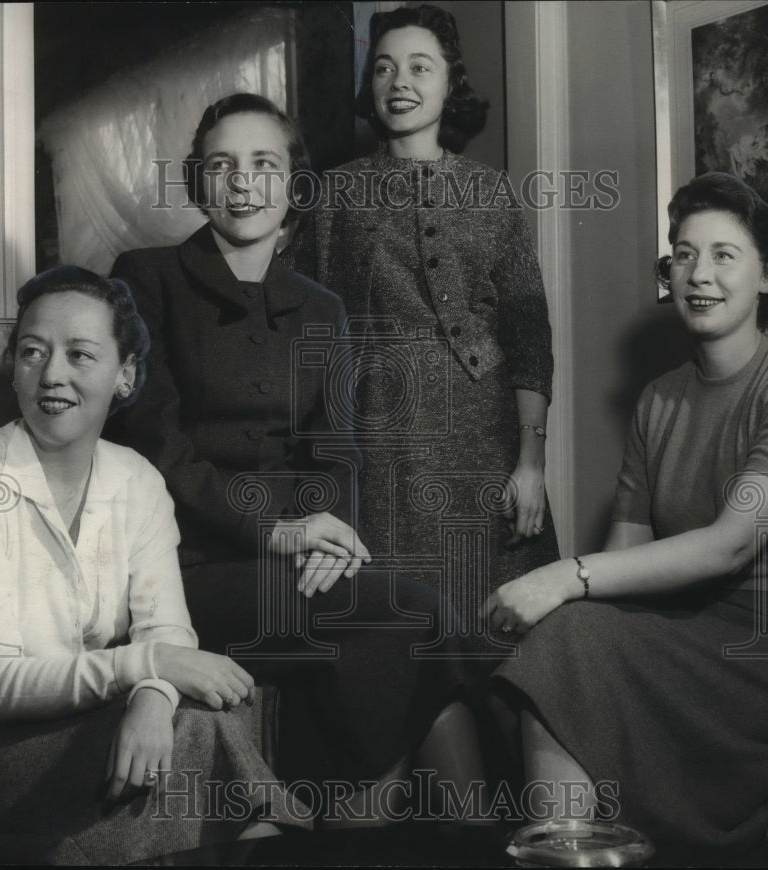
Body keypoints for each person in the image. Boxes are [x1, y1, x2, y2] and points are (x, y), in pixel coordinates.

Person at [105, 92, 486, 821]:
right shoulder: (144, 278)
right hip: (187, 573)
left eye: (263, 164)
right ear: (197, 183)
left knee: (387, 639)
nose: (243, 182)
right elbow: (154, 445)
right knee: (417, 618)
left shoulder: (320, 307)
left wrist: (326, 540)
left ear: (294, 185)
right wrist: (278, 533)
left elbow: (337, 450)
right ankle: (461, 839)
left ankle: (373, 835)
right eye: (221, 166)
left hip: (295, 560)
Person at [484, 172, 768, 849]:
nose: (699, 273)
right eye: (684, 254)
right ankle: (571, 848)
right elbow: (625, 556)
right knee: (561, 635)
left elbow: (727, 545)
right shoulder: (659, 399)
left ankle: (564, 850)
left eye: (725, 255)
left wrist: (561, 579)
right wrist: (568, 596)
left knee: (569, 634)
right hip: (706, 635)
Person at [0, 267, 309, 865]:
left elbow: (166, 628)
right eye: (32, 352)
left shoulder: (137, 479)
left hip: (71, 723)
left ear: (125, 374)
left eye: (81, 354)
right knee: (201, 743)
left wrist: (153, 695)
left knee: (205, 721)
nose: (52, 374)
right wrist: (153, 667)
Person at [283, 4, 559, 654]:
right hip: (386, 445)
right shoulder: (335, 196)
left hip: (487, 444)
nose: (398, 81)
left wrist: (532, 462)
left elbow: (529, 342)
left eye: (418, 66)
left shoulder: (491, 194)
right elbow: (302, 334)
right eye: (383, 68)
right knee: (406, 640)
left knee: (503, 638)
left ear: (448, 84)